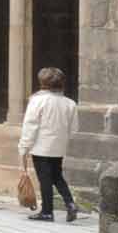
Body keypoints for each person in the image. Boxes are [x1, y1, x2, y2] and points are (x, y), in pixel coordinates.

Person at [18, 67, 80, 222]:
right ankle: (70, 203)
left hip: (41, 146)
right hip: (59, 147)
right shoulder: (70, 103)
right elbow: (74, 129)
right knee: (57, 176)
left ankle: (47, 211)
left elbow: (30, 125)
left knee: (45, 179)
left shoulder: (38, 101)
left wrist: (24, 147)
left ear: (42, 82)